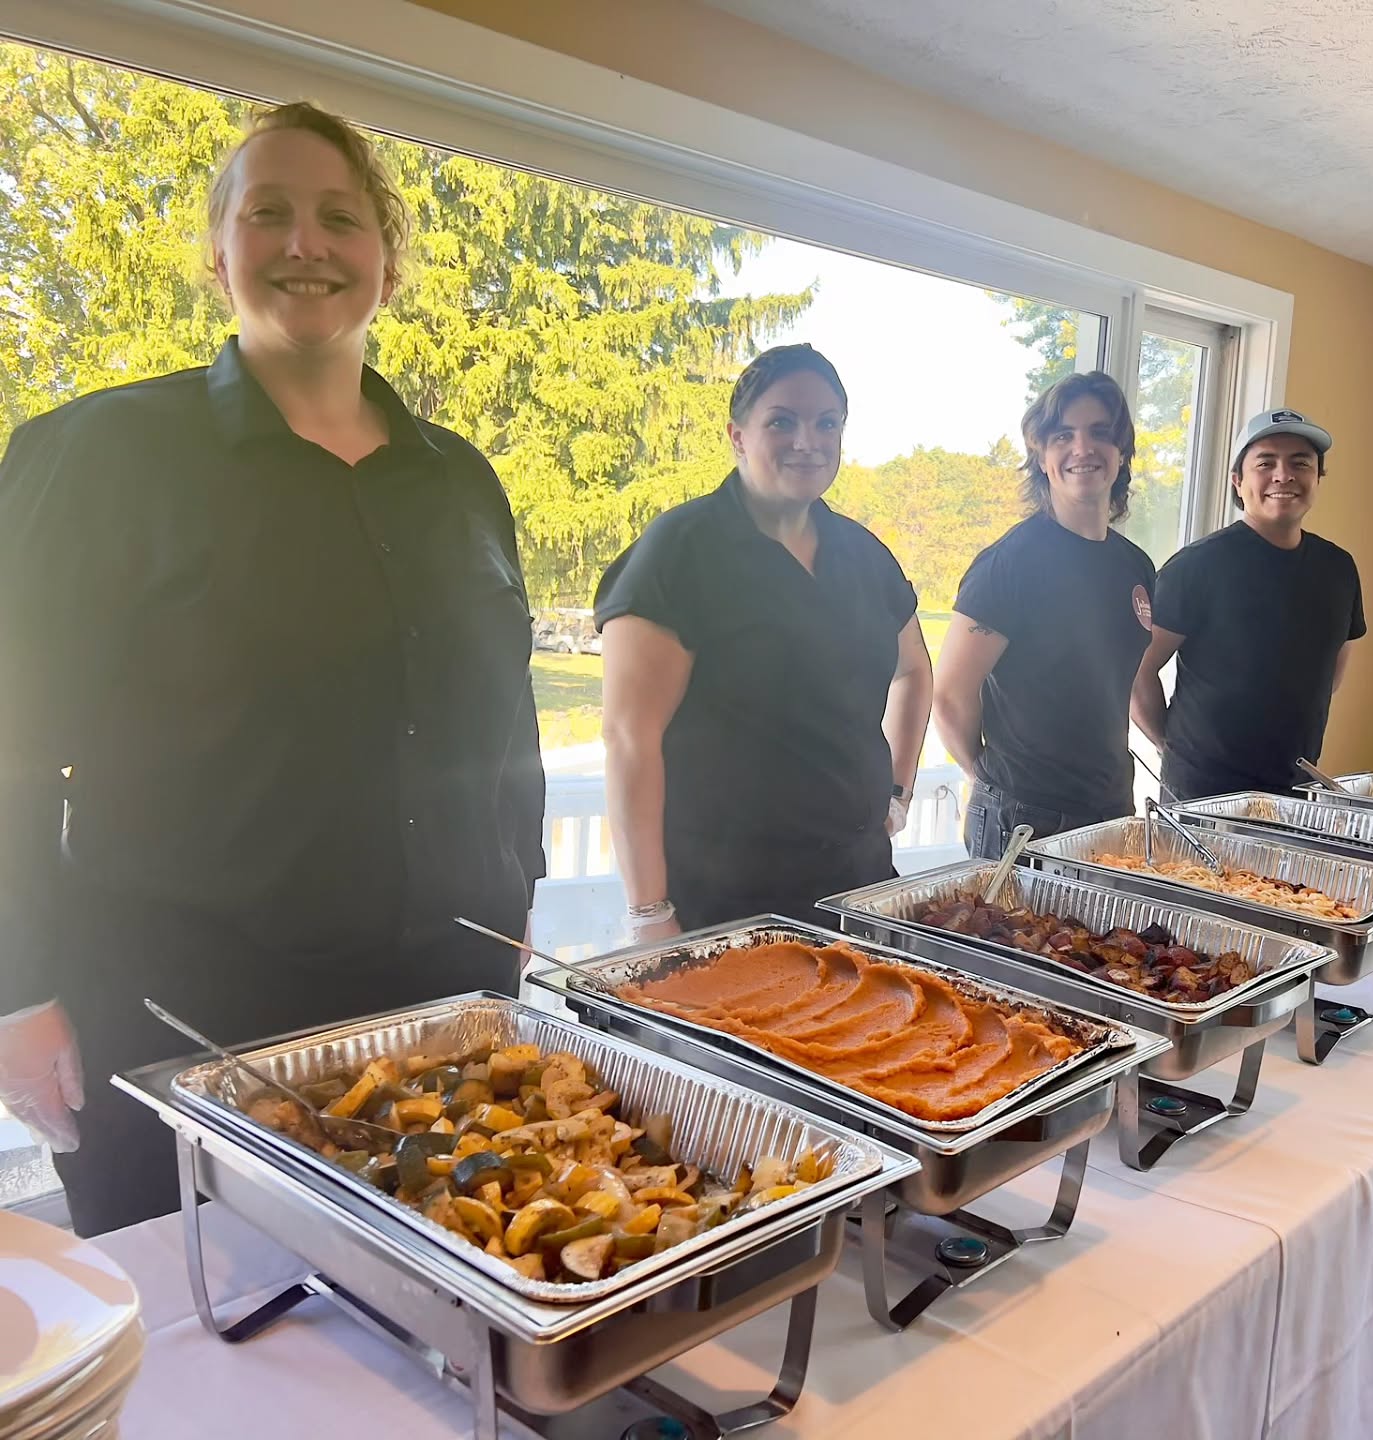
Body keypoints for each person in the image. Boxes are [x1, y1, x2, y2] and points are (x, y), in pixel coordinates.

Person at [0, 102, 545, 1236]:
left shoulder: (462, 482)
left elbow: (503, 729)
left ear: (385, 261)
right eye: (270, 214)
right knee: (206, 1346)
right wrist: (17, 990)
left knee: (421, 1324)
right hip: (178, 1015)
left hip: (432, 1010)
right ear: (218, 251)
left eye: (341, 218)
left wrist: (513, 910)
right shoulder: (101, 456)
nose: (307, 243)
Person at [595, 344, 932, 941]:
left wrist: (898, 792)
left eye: (827, 422)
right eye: (782, 420)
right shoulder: (680, 550)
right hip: (727, 903)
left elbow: (915, 672)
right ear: (738, 435)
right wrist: (648, 910)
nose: (808, 439)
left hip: (859, 889)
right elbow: (629, 739)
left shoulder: (863, 554)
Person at [934, 371, 1155, 858]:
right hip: (1024, 816)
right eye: (1063, 435)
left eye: (1100, 432)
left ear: (1122, 453)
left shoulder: (1135, 565)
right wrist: (990, 781)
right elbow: (950, 694)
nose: (1083, 448)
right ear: (1041, 454)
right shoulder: (1010, 564)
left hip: (1111, 810)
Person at [1130, 408, 1365, 800]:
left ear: (1317, 478)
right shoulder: (1197, 566)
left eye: (1300, 463)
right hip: (1202, 795)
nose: (1283, 475)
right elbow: (1137, 670)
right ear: (1238, 482)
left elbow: (1330, 674)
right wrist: (1172, 749)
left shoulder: (1338, 568)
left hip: (1295, 794)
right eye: (1266, 463)